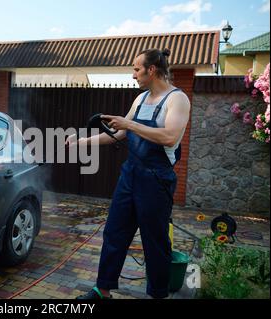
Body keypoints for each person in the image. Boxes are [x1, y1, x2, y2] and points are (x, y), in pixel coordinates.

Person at [65, 48, 190, 299]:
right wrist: (80, 141)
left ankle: (157, 293)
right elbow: (120, 134)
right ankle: (103, 289)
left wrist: (129, 123)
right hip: (130, 175)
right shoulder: (141, 99)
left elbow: (169, 137)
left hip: (156, 179)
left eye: (136, 69)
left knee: (154, 241)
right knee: (114, 232)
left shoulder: (177, 99)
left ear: (151, 70)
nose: (133, 75)